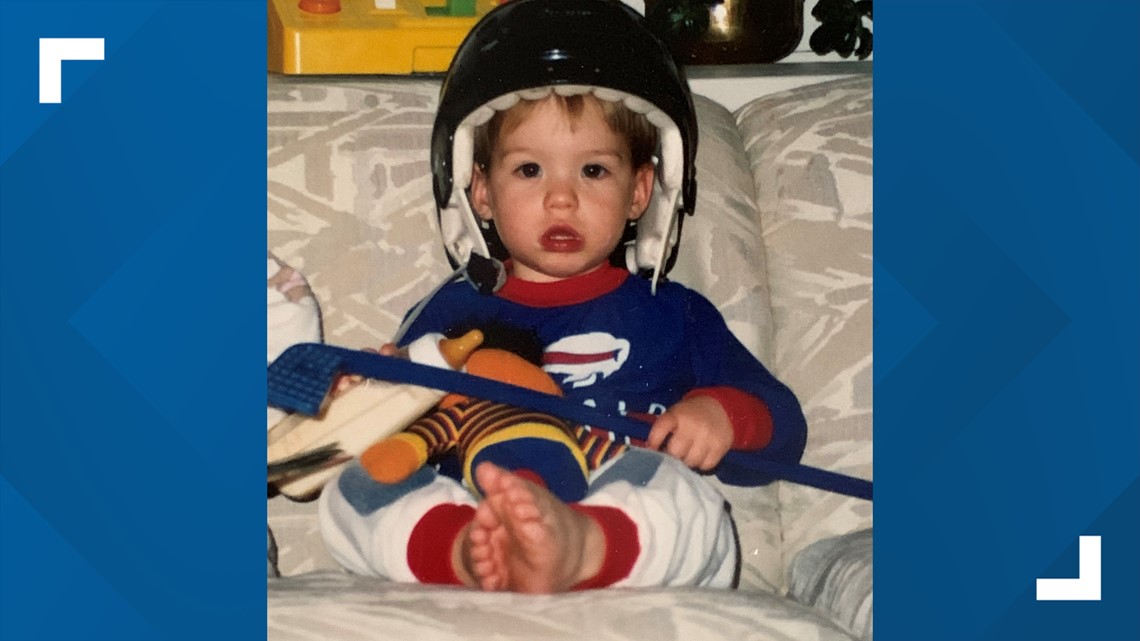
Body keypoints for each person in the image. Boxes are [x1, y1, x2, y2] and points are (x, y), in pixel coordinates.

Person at [318, 0, 807, 593]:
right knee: (355, 489)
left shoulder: (676, 314)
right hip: (479, 506)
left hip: (623, 528)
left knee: (684, 496)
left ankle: (578, 545)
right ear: (479, 191)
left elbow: (784, 429)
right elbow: (394, 420)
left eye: (594, 171)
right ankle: (466, 553)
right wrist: (372, 392)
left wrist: (722, 417)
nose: (561, 200)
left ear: (641, 191)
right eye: (529, 170)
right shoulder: (448, 313)